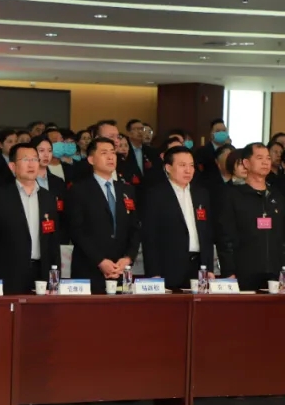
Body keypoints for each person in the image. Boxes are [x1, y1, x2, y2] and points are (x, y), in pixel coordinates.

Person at [66, 137, 142, 292]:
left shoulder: (126, 190)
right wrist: (100, 261)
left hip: (120, 268)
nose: (110, 157)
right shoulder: (79, 190)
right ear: (91, 159)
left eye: (113, 153)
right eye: (104, 153)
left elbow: (134, 228)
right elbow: (76, 230)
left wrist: (128, 258)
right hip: (89, 267)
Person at [0, 143, 61, 294]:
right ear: (12, 166)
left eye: (35, 159)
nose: (31, 164)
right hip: (10, 274)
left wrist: (54, 279)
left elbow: (53, 241)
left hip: (42, 273)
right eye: (25, 160)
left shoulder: (48, 198)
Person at [215, 143, 285, 291]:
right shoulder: (233, 195)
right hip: (243, 272)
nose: (265, 162)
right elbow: (225, 237)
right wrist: (229, 271)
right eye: (259, 158)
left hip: (275, 273)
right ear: (246, 163)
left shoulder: (276, 195)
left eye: (268, 158)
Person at [142, 146, 214, 290]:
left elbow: (207, 233)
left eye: (191, 165)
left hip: (198, 268)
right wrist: (154, 273)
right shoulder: (155, 195)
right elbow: (150, 237)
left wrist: (209, 268)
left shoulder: (201, 194)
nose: (188, 170)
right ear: (168, 167)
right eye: (182, 165)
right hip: (168, 268)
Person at [32, 135, 69, 243]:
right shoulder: (26, 181)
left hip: (55, 236)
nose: (46, 155)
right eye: (41, 150)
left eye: (49, 151)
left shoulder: (58, 182)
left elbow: (64, 213)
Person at [121, 119, 159, 189]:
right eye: (136, 129)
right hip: (130, 189)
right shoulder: (124, 150)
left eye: (142, 129)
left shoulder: (151, 151)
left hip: (149, 189)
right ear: (128, 133)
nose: (140, 132)